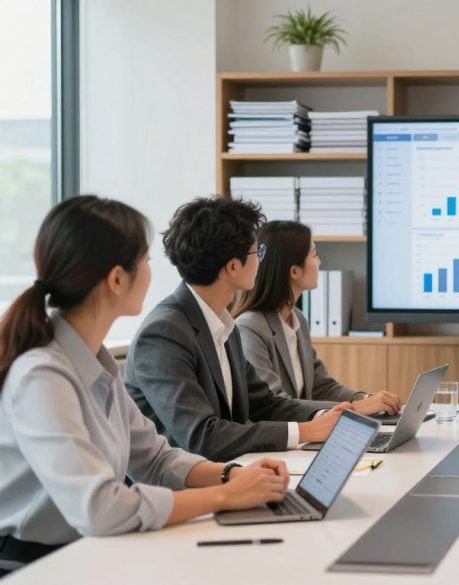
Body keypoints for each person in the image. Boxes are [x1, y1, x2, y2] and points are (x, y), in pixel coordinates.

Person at [0, 196, 288, 576]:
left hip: (87, 549)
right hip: (32, 564)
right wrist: (225, 496)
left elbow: (155, 458)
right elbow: (99, 507)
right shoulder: (42, 375)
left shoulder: (95, 362)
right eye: (146, 260)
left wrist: (231, 475)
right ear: (117, 279)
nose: (153, 272)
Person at [125, 197, 352, 462]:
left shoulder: (222, 322)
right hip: (175, 492)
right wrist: (304, 431)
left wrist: (326, 417)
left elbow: (263, 403)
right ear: (233, 267)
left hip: (228, 471)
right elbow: (202, 436)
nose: (260, 262)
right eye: (258, 253)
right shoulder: (164, 334)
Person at [234, 220, 402, 414]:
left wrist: (367, 399)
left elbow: (322, 387)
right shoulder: (249, 327)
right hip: (279, 439)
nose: (319, 262)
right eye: (314, 255)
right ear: (294, 271)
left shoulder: (297, 319)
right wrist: (355, 408)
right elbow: (273, 403)